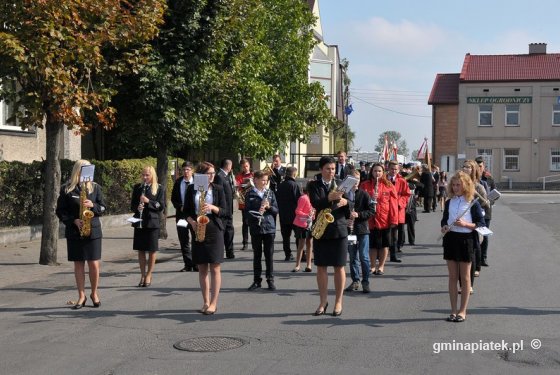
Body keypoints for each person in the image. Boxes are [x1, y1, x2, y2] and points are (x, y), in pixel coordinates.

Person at [56, 160, 106, 309]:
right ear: (78, 171)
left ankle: (94, 293)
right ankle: (81, 296)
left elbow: (103, 207)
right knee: (78, 264)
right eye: (85, 170)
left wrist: (93, 206)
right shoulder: (67, 189)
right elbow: (60, 211)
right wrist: (73, 221)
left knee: (94, 264)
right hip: (75, 231)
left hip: (93, 231)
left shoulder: (96, 187)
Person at [183, 162, 227, 315]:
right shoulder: (191, 189)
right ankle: (205, 301)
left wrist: (213, 208)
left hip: (214, 228)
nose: (212, 176)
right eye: (209, 173)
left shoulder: (218, 189)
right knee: (202, 268)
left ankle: (214, 303)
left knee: (215, 267)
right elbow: (185, 211)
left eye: (213, 173)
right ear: (201, 175)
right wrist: (192, 222)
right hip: (198, 227)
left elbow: (225, 211)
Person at [441, 171, 485, 323]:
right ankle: (453, 310)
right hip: (451, 239)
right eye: (453, 185)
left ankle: (462, 311)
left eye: (458, 185)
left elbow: (481, 223)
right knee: (452, 277)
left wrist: (466, 224)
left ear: (466, 185)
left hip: (467, 240)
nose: (455, 188)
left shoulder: (473, 202)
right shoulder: (449, 202)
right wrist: (444, 227)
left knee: (465, 278)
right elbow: (444, 220)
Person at [308, 156, 350, 316]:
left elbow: (350, 205)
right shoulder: (314, 185)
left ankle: (338, 302)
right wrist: (329, 198)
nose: (331, 171)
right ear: (321, 169)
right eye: (328, 168)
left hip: (339, 229)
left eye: (333, 169)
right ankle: (323, 301)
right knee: (321, 267)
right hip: (322, 230)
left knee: (339, 266)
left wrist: (347, 203)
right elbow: (315, 203)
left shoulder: (341, 184)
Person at [360, 163, 398, 275]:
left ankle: (381, 266)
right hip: (370, 219)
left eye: (380, 171)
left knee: (384, 244)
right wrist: (371, 198)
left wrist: (393, 220)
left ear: (383, 173)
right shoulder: (365, 185)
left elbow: (393, 204)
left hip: (385, 219)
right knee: (372, 245)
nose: (377, 173)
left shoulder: (389, 185)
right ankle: (372, 266)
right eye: (375, 171)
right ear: (371, 172)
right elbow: (361, 202)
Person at [130, 166, 165, 288]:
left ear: (152, 176)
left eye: (147, 175)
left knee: (152, 250)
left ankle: (149, 274)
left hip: (152, 222)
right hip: (140, 220)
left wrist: (148, 202)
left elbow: (160, 206)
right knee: (140, 249)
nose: (145, 177)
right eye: (143, 175)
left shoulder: (159, 188)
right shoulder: (137, 187)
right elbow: (132, 205)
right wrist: (137, 208)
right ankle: (142, 275)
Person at [245, 170, 279, 291]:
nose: (265, 182)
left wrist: (269, 207)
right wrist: (256, 213)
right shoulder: (249, 194)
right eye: (263, 180)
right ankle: (257, 281)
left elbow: (276, 210)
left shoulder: (270, 193)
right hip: (256, 227)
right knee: (257, 255)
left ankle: (270, 280)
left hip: (269, 227)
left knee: (269, 255)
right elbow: (247, 212)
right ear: (256, 180)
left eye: (266, 180)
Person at [344, 169, 375, 293]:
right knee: (352, 257)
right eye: (353, 179)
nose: (356, 182)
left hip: (362, 230)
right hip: (351, 232)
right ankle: (355, 281)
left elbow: (372, 211)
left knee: (364, 257)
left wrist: (359, 214)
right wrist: (346, 219)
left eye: (357, 179)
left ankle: (365, 281)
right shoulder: (344, 194)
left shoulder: (364, 194)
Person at [462, 159, 489, 283]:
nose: (465, 169)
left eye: (468, 167)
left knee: (477, 245)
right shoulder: (460, 183)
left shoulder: (478, 186)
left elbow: (485, 202)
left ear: (473, 170)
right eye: (464, 167)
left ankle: (477, 267)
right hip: (463, 219)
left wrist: (477, 204)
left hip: (475, 219)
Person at [170, 161, 196, 272]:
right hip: (181, 216)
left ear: (192, 170)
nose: (185, 172)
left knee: (196, 239)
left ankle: (197, 264)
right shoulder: (178, 182)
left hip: (194, 216)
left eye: (188, 170)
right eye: (184, 170)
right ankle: (188, 264)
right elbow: (173, 199)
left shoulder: (198, 181)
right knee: (183, 239)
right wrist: (179, 207)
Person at [275, 166, 301, 261]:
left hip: (283, 214)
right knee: (298, 236)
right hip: (294, 215)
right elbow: (299, 200)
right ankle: (301, 254)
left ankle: (288, 254)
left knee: (286, 237)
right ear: (294, 174)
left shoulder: (281, 185)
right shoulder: (295, 185)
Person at [387, 161, 410, 263]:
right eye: (392, 169)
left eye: (395, 169)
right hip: (385, 210)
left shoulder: (402, 181)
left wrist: (399, 203)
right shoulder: (383, 180)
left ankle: (393, 255)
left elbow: (406, 194)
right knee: (383, 233)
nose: (393, 171)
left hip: (397, 210)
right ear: (388, 168)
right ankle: (381, 254)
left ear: (399, 169)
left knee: (394, 234)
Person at [213, 158, 235, 259]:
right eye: (231, 166)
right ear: (228, 166)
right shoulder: (219, 176)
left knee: (230, 231)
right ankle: (221, 252)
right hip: (223, 210)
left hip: (229, 210)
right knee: (223, 231)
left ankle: (230, 252)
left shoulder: (226, 176)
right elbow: (219, 194)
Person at [475, 156, 494, 267]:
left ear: (484, 166)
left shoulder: (489, 178)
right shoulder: (472, 179)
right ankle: (476, 257)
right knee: (475, 235)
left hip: (486, 210)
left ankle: (483, 257)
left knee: (484, 234)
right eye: (477, 166)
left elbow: (494, 191)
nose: (479, 168)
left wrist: (492, 200)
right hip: (475, 211)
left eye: (480, 166)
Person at [292, 180, 314, 273]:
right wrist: (307, 215)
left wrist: (313, 215)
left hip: (310, 223)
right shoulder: (303, 198)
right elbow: (297, 211)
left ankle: (309, 265)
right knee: (301, 245)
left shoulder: (314, 198)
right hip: (301, 223)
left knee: (310, 244)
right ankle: (297, 265)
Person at [235, 159, 254, 251]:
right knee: (245, 223)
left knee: (255, 222)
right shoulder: (239, 176)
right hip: (244, 202)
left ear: (249, 166)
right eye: (243, 166)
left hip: (254, 202)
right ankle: (245, 243)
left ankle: (256, 242)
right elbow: (238, 187)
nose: (245, 168)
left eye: (246, 166)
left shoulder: (253, 175)